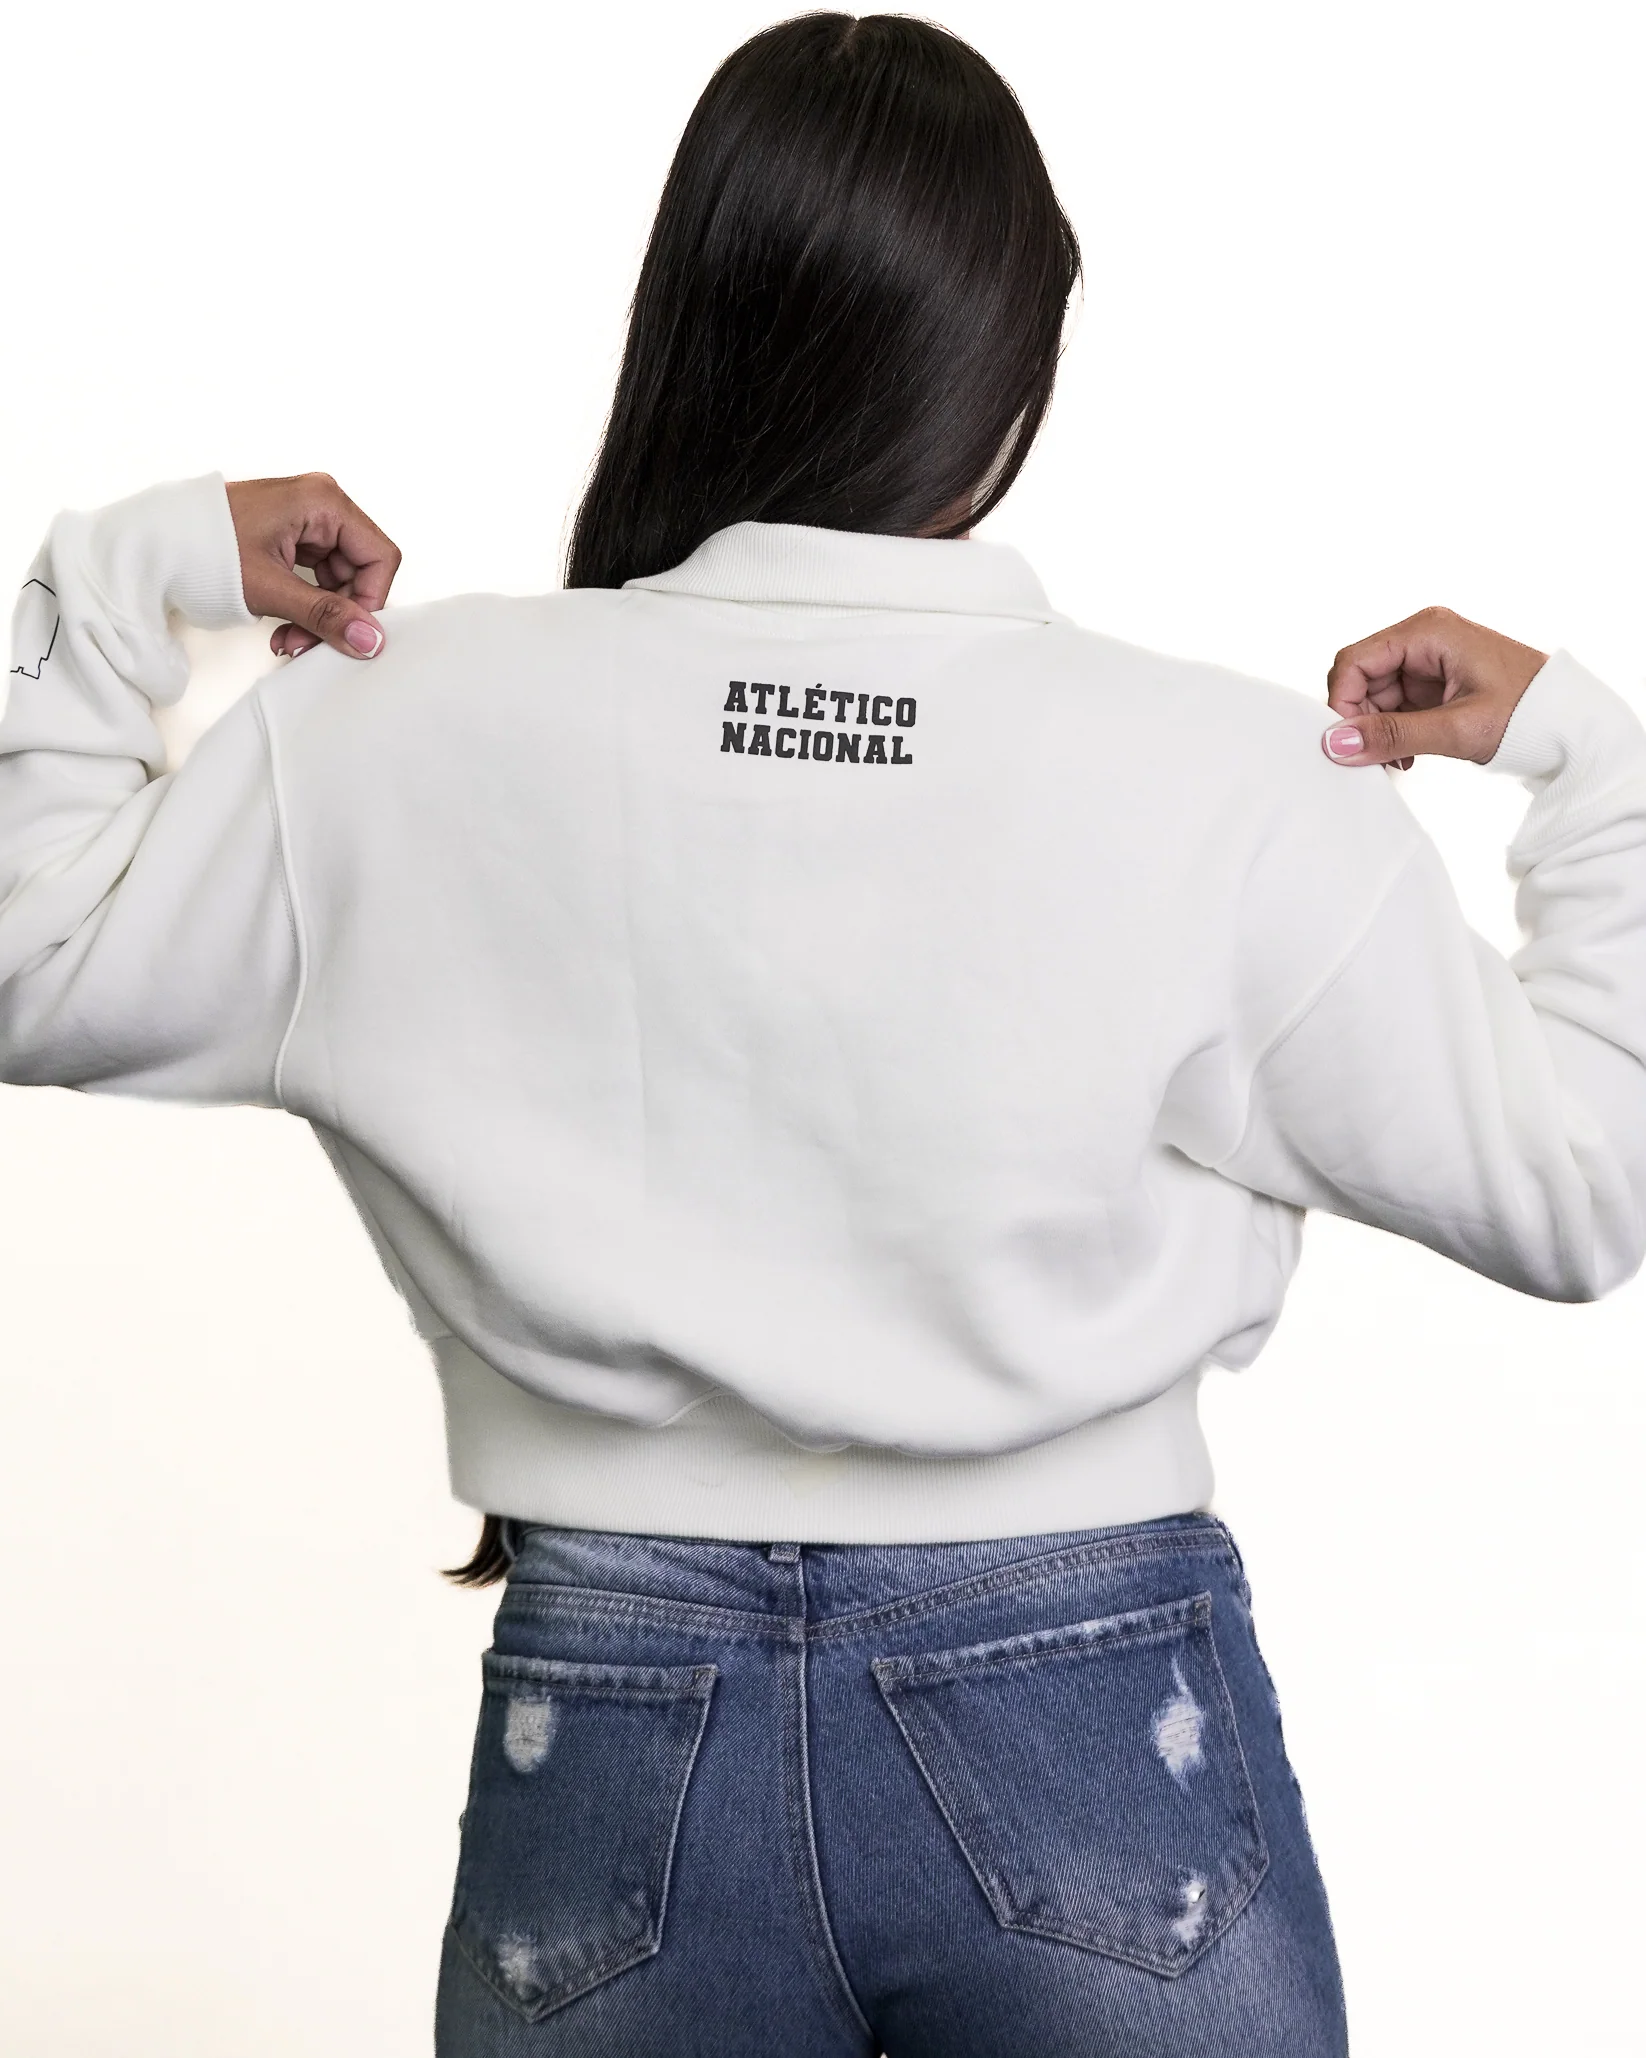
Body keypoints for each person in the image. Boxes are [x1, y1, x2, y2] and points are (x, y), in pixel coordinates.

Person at [5, 13, 1645, 2057]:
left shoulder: (397, 721)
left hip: (613, 1713)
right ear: (1011, 363)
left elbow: (32, 957)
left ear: (692, 317)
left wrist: (135, 572)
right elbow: (1578, 1198)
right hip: (1086, 1702)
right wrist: (1587, 766)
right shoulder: (1232, 781)